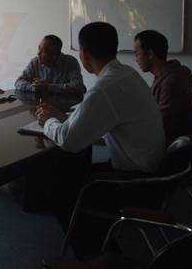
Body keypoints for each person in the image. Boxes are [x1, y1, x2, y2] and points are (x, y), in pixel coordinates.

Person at [35, 22, 165, 258]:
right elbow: (101, 121)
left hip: (137, 179)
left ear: (84, 53)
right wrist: (65, 118)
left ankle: (95, 258)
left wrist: (48, 122)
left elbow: (69, 140)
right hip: (153, 169)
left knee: (59, 191)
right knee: (70, 169)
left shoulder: (105, 87)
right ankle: (105, 245)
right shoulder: (126, 74)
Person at [134, 30, 192, 145]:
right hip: (170, 141)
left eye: (137, 53)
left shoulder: (171, 82)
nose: (136, 59)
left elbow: (161, 124)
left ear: (150, 54)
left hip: (170, 147)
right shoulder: (165, 75)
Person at [15, 35, 86, 95]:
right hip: (40, 105)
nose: (38, 53)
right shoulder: (35, 62)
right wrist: (33, 87)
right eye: (39, 48)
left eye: (44, 50)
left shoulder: (70, 62)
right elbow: (18, 82)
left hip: (62, 106)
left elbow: (79, 87)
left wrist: (48, 87)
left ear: (54, 55)